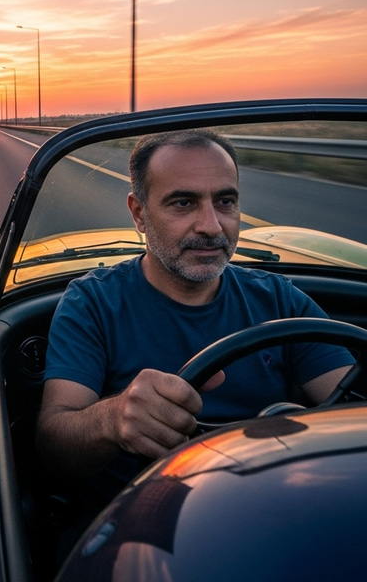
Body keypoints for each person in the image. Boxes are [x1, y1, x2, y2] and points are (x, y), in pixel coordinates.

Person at [37, 129, 353, 492]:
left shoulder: (280, 300)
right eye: (183, 203)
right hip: (143, 512)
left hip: (281, 499)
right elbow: (54, 447)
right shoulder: (92, 303)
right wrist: (112, 419)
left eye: (225, 201)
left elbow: (352, 404)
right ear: (139, 214)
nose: (211, 226)